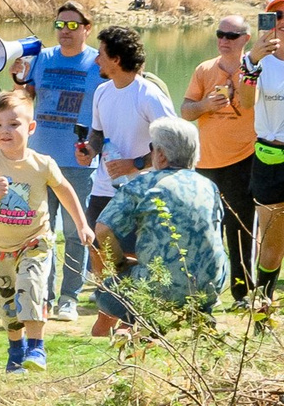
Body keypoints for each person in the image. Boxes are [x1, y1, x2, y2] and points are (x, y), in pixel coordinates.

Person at [0, 86, 93, 374]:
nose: (5, 131)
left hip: (34, 242)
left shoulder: (42, 164)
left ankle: (37, 347)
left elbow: (65, 191)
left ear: (31, 127)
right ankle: (16, 352)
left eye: (14, 124)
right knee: (9, 303)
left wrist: (81, 223)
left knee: (32, 288)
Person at [92, 117, 230, 333]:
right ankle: (203, 315)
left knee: (105, 294)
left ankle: (146, 323)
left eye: (151, 148)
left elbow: (102, 229)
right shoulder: (208, 185)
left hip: (161, 288)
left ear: (162, 155)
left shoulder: (143, 184)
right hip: (210, 286)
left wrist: (118, 264)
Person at [20, 1, 102, 319]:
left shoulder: (98, 62)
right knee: (42, 232)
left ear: (86, 28)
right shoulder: (42, 58)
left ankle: (69, 297)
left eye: (72, 25)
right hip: (39, 159)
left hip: (78, 162)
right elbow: (25, 100)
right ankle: (44, 295)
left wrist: (98, 147)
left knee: (74, 232)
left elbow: (106, 109)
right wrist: (19, 81)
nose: (65, 31)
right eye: (60, 25)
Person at [180, 13, 256, 302]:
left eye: (231, 36)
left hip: (244, 159)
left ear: (246, 39)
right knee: (202, 230)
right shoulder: (204, 69)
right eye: (220, 34)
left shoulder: (256, 68)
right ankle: (201, 293)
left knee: (240, 231)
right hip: (205, 162)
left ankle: (242, 293)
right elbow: (186, 111)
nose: (223, 40)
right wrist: (205, 104)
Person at [89, 26, 176, 250]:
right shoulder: (101, 92)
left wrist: (135, 164)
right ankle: (103, 287)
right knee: (98, 252)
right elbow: (98, 134)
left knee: (131, 258)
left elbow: (172, 145)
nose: (97, 59)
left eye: (101, 54)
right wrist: (89, 150)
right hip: (102, 188)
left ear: (116, 60)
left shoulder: (149, 95)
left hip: (141, 190)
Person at [252, 0, 284, 299]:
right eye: (276, 15)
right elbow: (245, 103)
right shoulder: (258, 62)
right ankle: (263, 307)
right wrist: (252, 61)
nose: (282, 20)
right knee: (272, 243)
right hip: (270, 157)